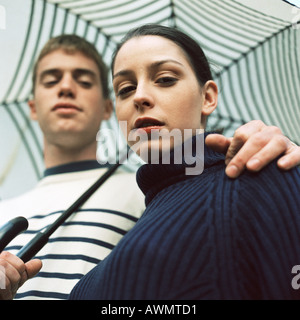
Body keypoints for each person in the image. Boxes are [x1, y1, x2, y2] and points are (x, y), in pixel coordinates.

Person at [1, 33, 300, 300]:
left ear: (208, 97)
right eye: (125, 88)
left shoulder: (254, 171)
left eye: (166, 78)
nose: (140, 97)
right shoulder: (146, 215)